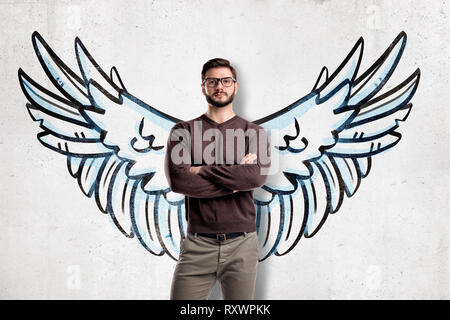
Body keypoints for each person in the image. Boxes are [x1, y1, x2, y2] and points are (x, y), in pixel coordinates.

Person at [164, 58, 271, 300]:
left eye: (225, 81)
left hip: (242, 245)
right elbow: (179, 181)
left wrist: (200, 169)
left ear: (235, 86)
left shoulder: (254, 133)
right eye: (212, 81)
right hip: (197, 245)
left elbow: (254, 176)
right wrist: (234, 180)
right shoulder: (183, 131)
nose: (219, 86)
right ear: (203, 87)